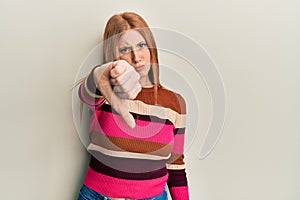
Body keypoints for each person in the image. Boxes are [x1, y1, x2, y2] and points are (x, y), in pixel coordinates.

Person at [77, 12, 189, 200]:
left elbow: (176, 165)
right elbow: (87, 92)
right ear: (113, 55)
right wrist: (100, 74)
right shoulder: (105, 93)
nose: (137, 57)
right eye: (125, 50)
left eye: (141, 45)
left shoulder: (175, 103)